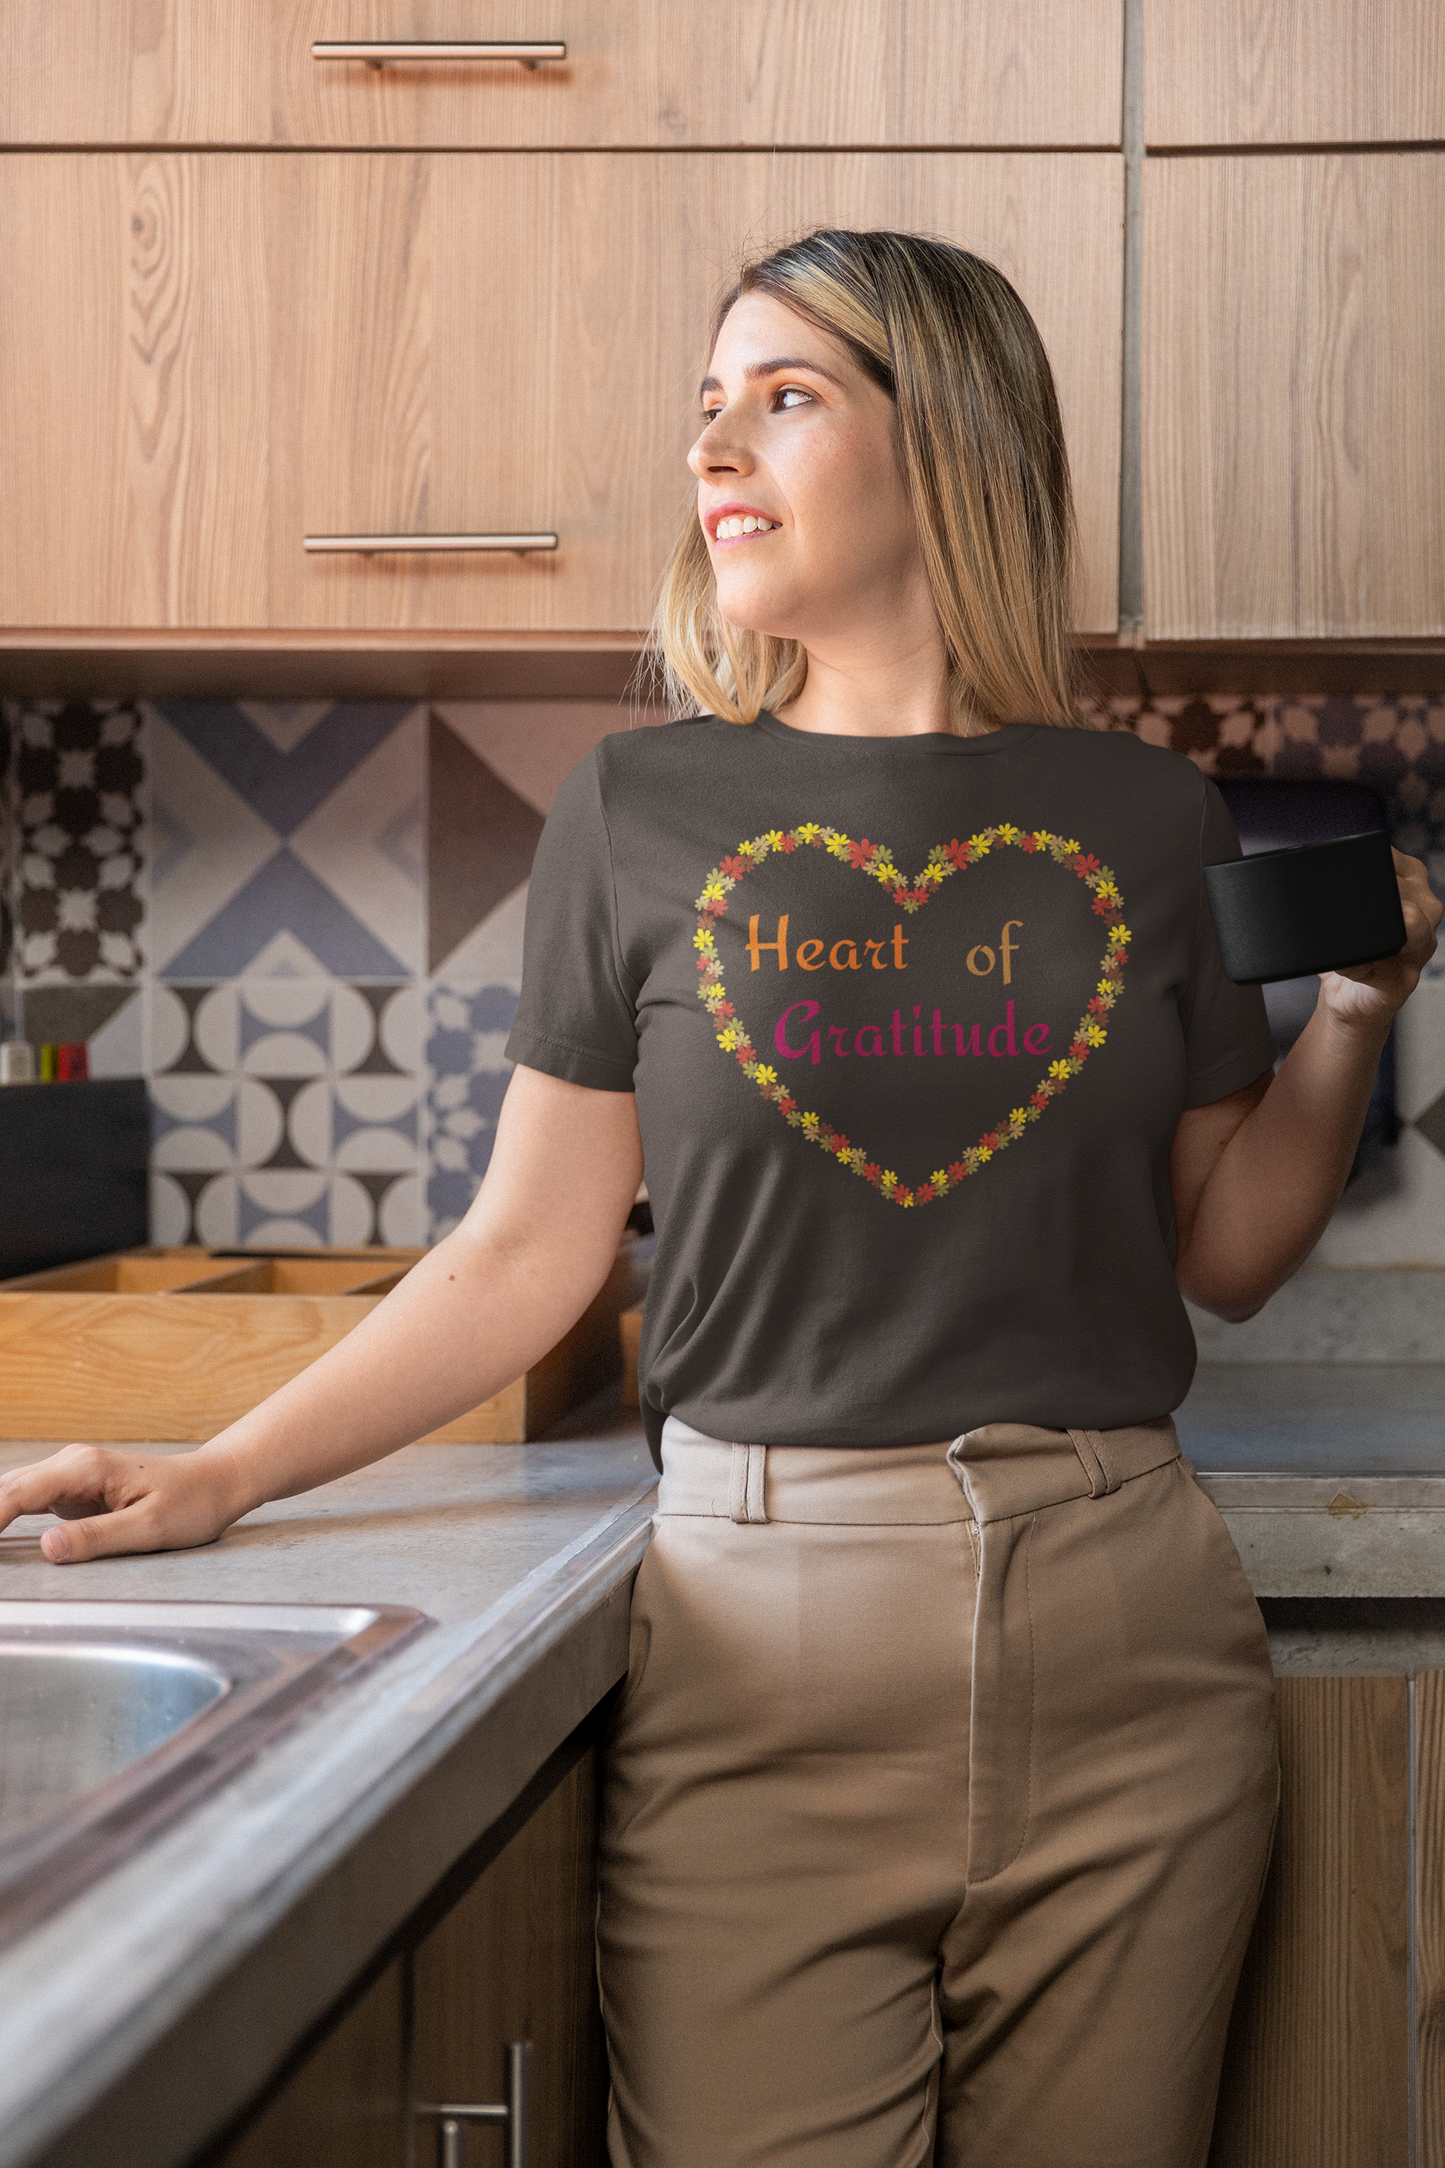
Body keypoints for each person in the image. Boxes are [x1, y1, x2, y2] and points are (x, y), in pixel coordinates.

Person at [0, 229, 1438, 2168]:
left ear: (948, 445)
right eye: (704, 407)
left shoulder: (1142, 816)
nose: (713, 451)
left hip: (1132, 1643)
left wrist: (1351, 1008)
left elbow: (1232, 1253)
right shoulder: (636, 810)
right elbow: (523, 1253)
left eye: (783, 396)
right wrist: (217, 1469)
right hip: (766, 1648)